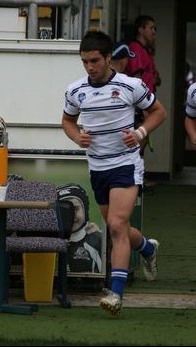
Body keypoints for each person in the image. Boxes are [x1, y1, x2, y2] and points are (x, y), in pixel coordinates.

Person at [61, 30, 166, 315]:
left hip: (126, 164)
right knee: (116, 227)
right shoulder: (75, 90)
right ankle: (146, 247)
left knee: (118, 224)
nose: (90, 67)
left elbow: (159, 111)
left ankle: (115, 295)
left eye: (95, 60)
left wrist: (141, 131)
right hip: (98, 167)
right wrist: (75, 137)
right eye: (84, 62)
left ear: (109, 58)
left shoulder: (131, 85)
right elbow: (68, 121)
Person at [126, 15, 161, 155]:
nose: (154, 32)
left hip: (148, 101)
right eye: (151, 28)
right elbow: (137, 79)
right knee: (139, 140)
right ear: (141, 30)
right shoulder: (135, 48)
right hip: (139, 104)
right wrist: (144, 109)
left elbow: (157, 79)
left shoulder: (147, 51)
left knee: (143, 138)